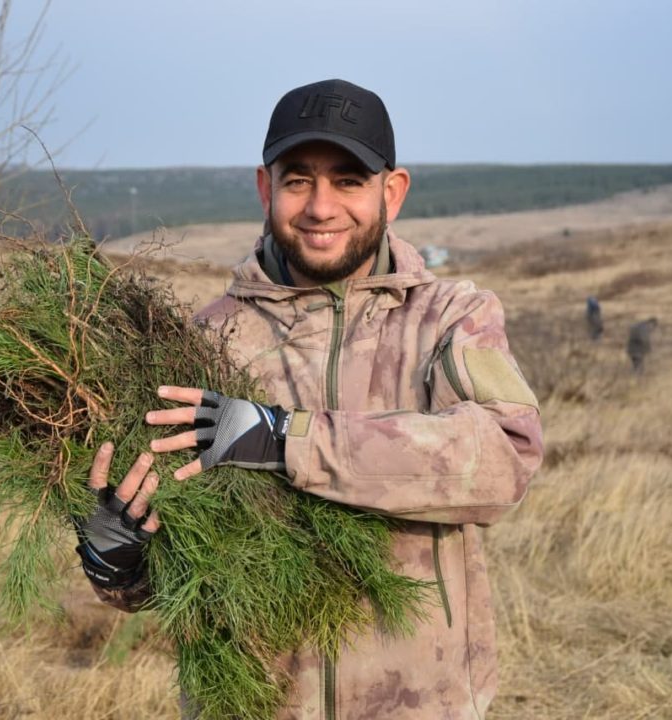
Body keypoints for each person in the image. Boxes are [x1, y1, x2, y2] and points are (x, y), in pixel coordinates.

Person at [73, 79, 544, 719]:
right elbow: (178, 582)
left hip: (415, 704)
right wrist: (115, 555)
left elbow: (502, 462)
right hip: (253, 704)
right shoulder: (204, 343)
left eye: (348, 180)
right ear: (267, 189)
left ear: (392, 191)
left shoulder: (451, 318)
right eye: (298, 181)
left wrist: (286, 439)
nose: (321, 207)